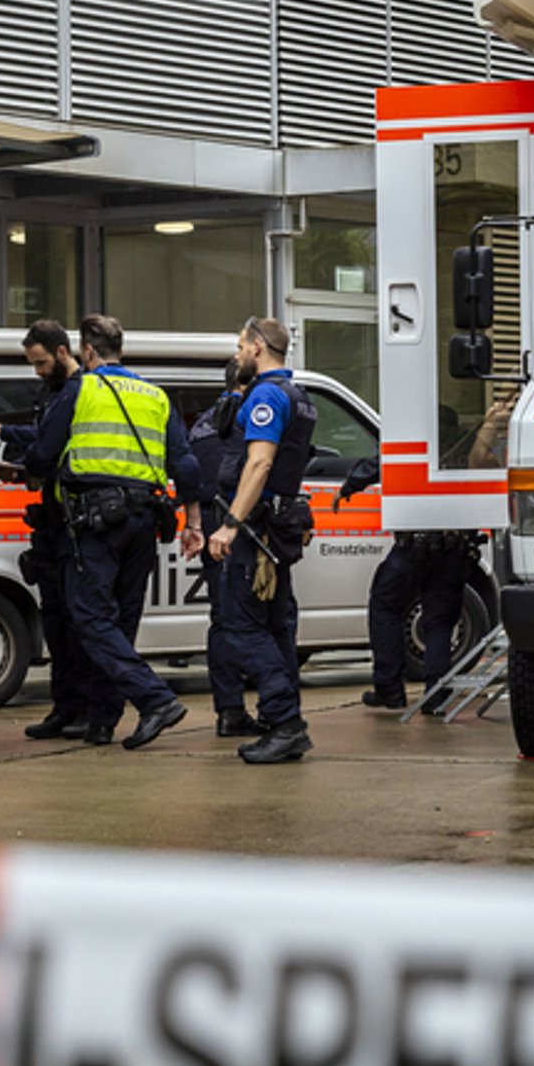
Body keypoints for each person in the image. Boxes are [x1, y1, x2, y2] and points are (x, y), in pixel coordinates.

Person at [53, 313, 204, 750]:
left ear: (86, 351)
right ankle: (103, 720)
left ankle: (155, 699)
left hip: (98, 521)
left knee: (92, 618)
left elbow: (45, 449)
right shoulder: (154, 395)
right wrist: (194, 523)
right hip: (144, 521)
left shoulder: (81, 387)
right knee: (121, 620)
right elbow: (187, 464)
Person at [0, 322, 111, 743]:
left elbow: (52, 444)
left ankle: (84, 709)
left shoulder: (82, 392)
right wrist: (7, 441)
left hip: (77, 522)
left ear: (64, 352)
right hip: (51, 521)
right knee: (56, 623)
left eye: (41, 362)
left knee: (78, 620)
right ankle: (65, 708)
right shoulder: (50, 392)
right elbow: (44, 437)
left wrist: (15, 444)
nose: (36, 371)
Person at [349, 392, 512, 713]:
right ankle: (436, 694)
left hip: (413, 547)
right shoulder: (467, 449)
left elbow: (378, 465)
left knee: (385, 605)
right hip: (455, 550)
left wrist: (348, 487)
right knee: (439, 622)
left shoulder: (417, 448)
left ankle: (389, 689)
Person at [207, 317, 319, 764]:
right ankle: (281, 722)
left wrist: (230, 523)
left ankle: (286, 723)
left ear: (257, 347)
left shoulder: (268, 396)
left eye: (240, 347)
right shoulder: (300, 396)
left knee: (240, 626)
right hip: (276, 532)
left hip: (256, 532)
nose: (236, 356)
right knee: (274, 628)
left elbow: (259, 465)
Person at [189, 361, 262, 738]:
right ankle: (274, 709)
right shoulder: (251, 418)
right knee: (264, 621)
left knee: (223, 622)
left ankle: (230, 710)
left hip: (211, 527)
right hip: (244, 531)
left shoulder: (203, 422)